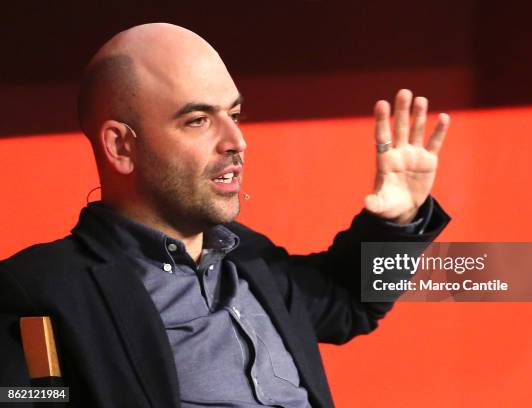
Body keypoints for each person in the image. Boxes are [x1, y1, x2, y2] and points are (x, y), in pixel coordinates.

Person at [0, 23, 450, 407]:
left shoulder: (250, 258)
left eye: (235, 114)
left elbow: (348, 301)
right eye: (198, 119)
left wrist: (398, 221)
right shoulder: (40, 292)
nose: (236, 139)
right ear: (121, 146)